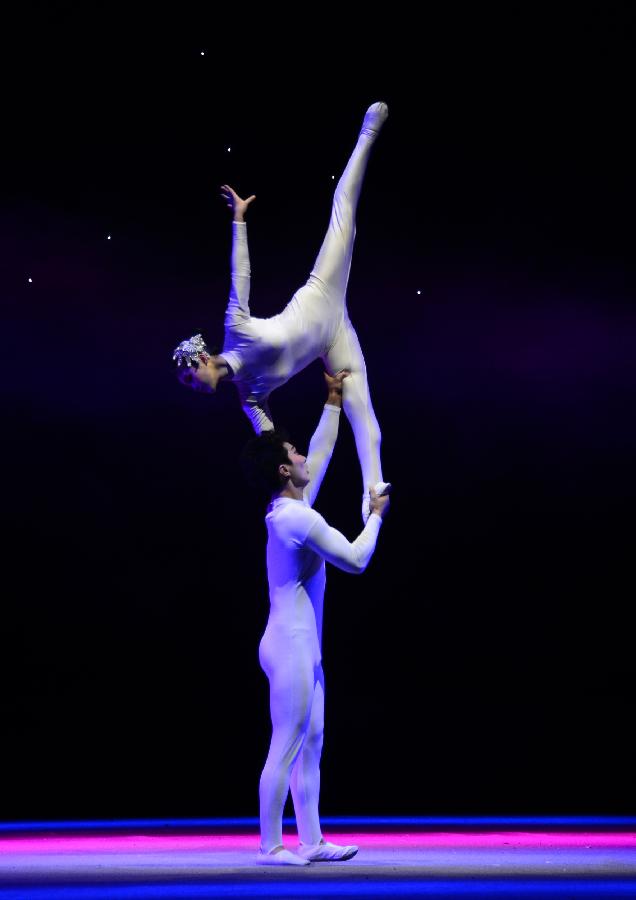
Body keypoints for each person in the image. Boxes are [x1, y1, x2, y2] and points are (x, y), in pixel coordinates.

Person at [174, 102, 391, 522]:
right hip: (334, 339)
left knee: (342, 207)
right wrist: (283, 486)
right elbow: (277, 450)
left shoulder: (235, 328)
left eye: (189, 374)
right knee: (365, 416)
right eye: (187, 382)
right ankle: (374, 495)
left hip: (320, 295)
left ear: (201, 358)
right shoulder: (249, 399)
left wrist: (239, 220)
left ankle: (368, 132)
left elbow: (241, 273)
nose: (192, 384)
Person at [240, 368, 390, 865]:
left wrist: (332, 402)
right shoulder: (296, 520)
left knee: (312, 742)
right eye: (294, 454)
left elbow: (319, 454)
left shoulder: (292, 508)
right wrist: (375, 516)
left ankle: (312, 839)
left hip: (302, 644)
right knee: (286, 743)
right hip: (289, 643)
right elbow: (355, 559)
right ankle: (269, 846)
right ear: (284, 470)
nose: (302, 456)